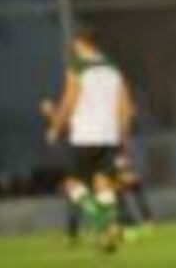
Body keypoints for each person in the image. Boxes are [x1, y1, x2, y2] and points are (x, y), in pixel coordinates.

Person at [45, 26, 135, 253]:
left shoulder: (78, 68)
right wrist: (122, 138)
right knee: (103, 183)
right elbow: (126, 108)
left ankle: (102, 224)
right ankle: (112, 226)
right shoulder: (113, 69)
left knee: (72, 185)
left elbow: (69, 102)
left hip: (85, 135)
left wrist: (55, 127)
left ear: (80, 43)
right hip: (109, 135)